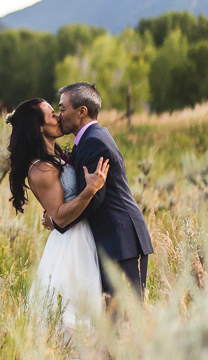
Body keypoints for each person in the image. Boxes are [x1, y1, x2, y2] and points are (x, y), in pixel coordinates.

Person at [7, 97, 109, 330]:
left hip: (83, 237)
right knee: (71, 316)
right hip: (70, 246)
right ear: (39, 127)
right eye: (52, 114)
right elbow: (61, 216)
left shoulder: (55, 158)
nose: (58, 117)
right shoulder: (41, 169)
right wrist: (90, 190)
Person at [46, 82, 154, 299]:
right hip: (114, 240)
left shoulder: (94, 142)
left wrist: (59, 219)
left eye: (63, 109)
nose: (59, 115)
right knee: (115, 318)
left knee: (123, 318)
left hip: (120, 241)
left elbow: (94, 198)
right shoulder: (88, 140)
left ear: (81, 111)